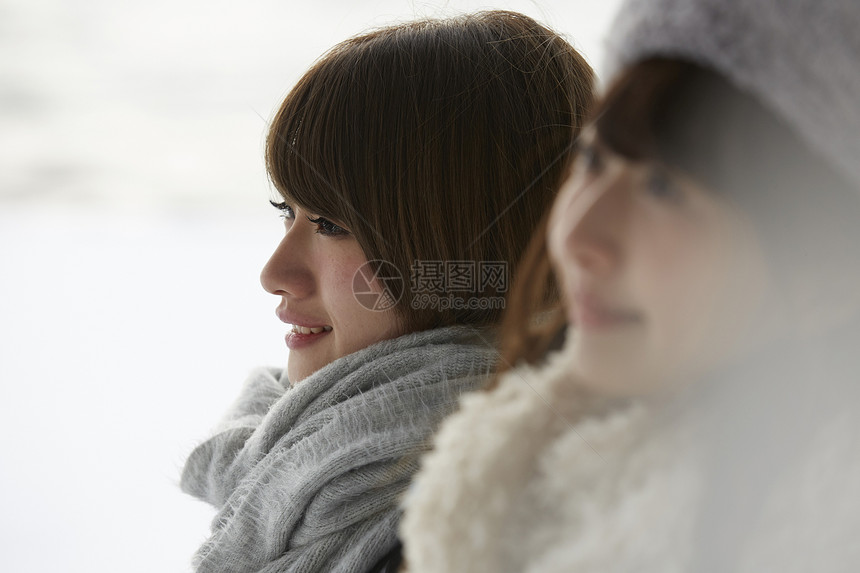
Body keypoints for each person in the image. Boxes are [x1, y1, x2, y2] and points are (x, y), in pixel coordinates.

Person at [400, 1, 860, 571]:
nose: (578, 236)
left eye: (664, 187)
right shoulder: (514, 472)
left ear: (832, 264)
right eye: (591, 159)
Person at [180, 10, 594, 573]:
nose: (275, 273)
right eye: (287, 212)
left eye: (331, 225)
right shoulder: (306, 457)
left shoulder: (475, 536)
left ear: (465, 243)